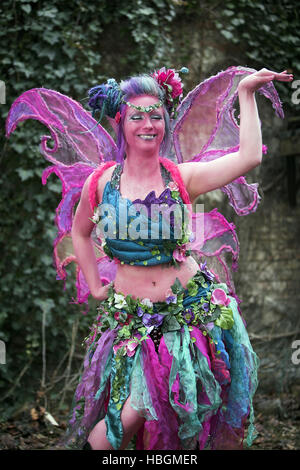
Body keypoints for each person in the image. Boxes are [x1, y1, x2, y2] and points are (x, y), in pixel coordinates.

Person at [5, 65, 292, 451]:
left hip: (193, 318)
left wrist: (245, 93)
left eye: (156, 115)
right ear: (121, 123)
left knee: (193, 424)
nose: (148, 123)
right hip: (133, 325)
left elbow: (249, 157)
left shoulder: (181, 177)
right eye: (137, 116)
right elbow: (80, 232)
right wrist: (93, 286)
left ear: (165, 122)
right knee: (121, 423)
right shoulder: (102, 182)